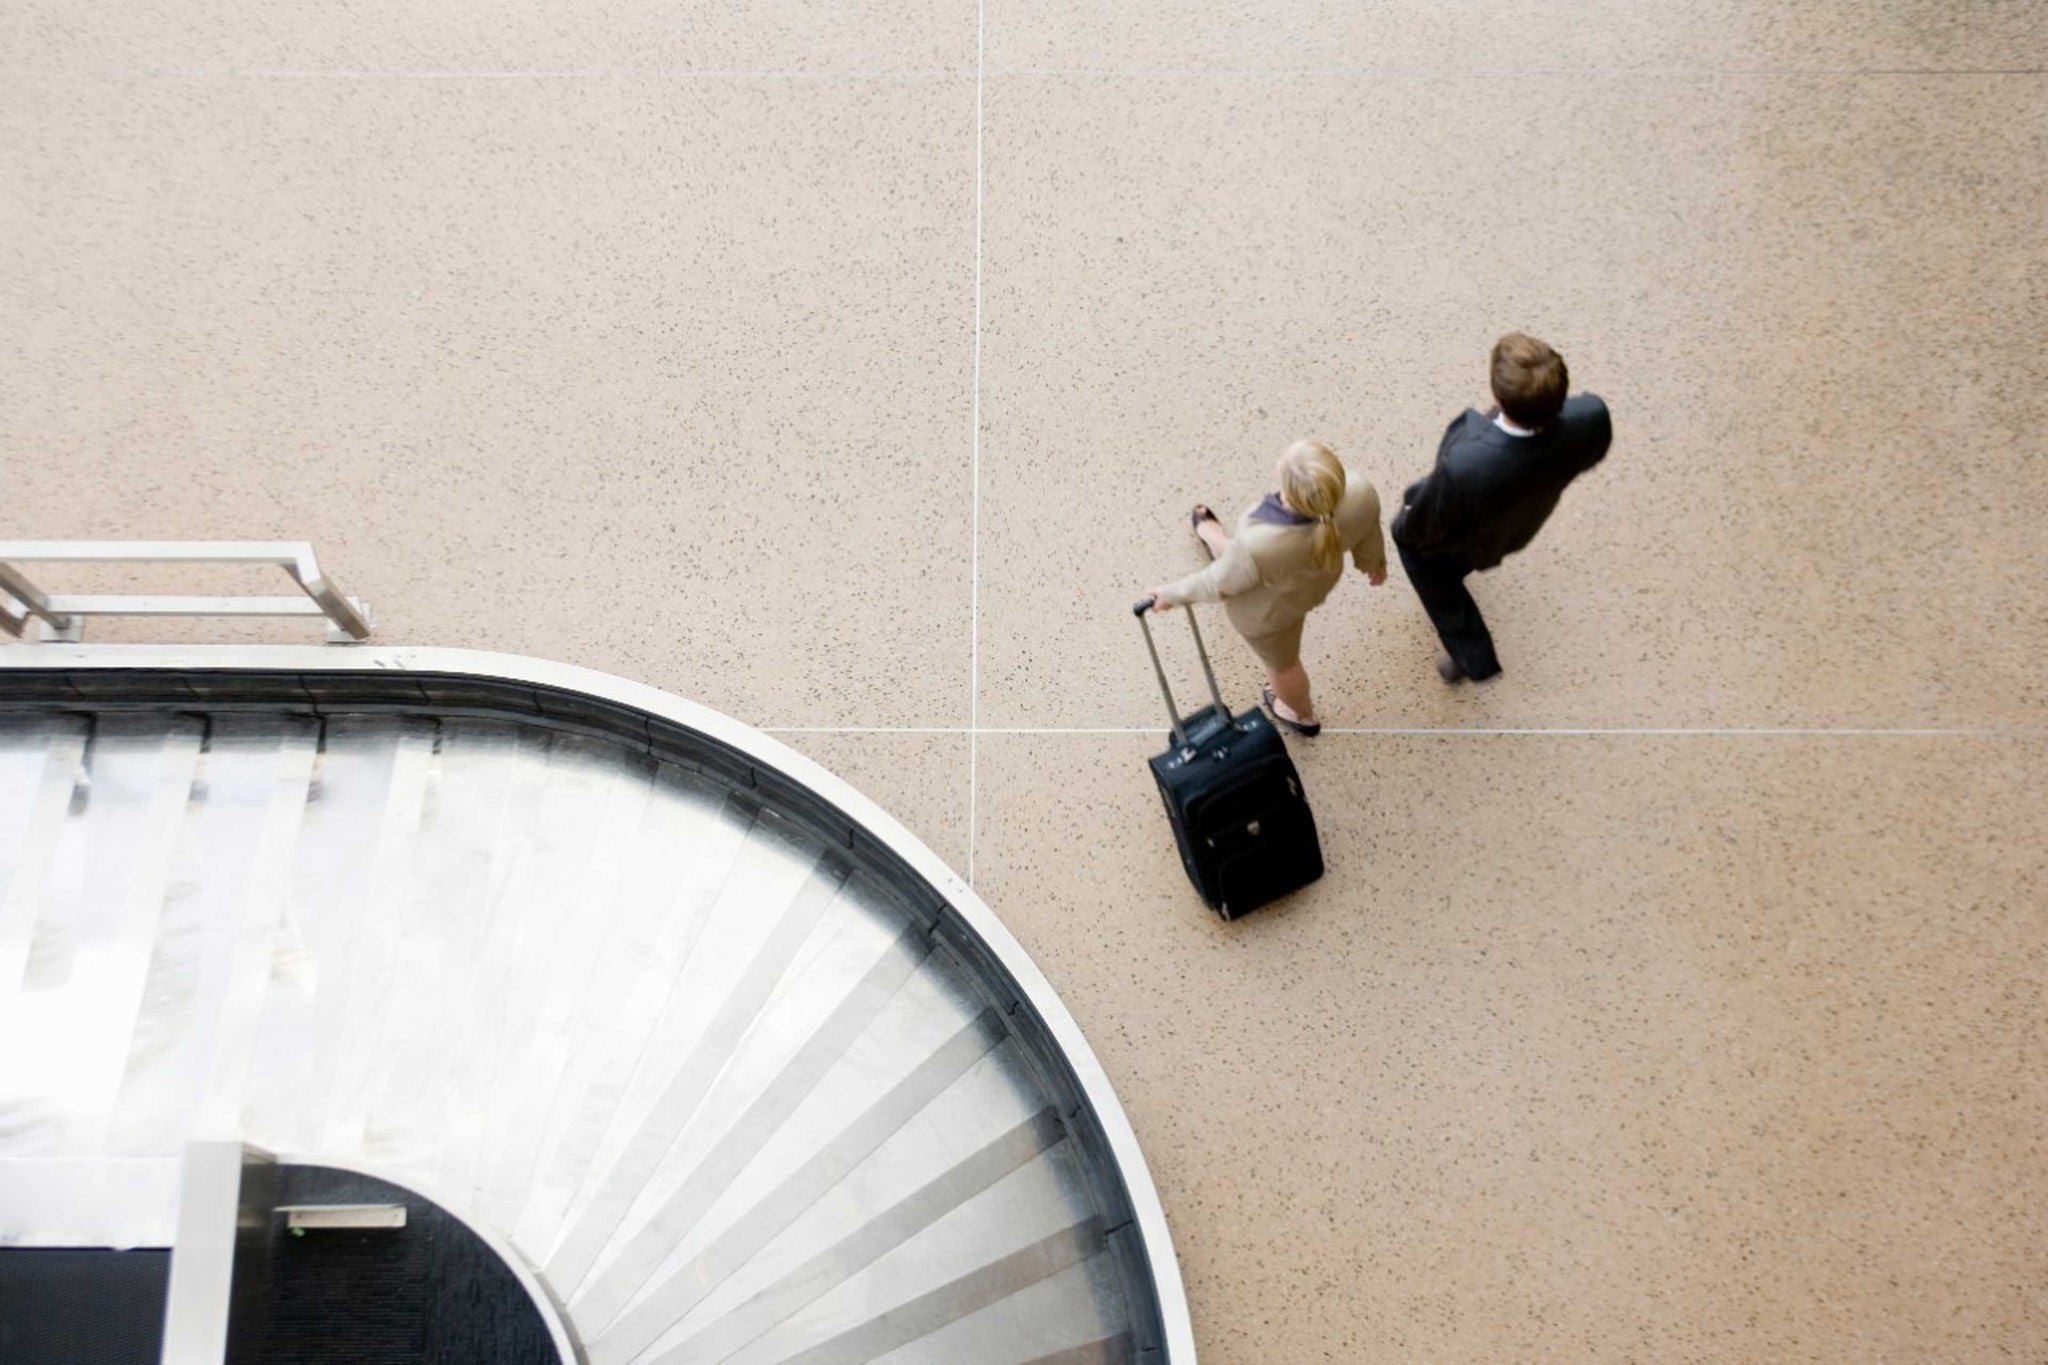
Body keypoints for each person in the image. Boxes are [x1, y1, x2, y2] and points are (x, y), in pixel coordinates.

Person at [1392, 332, 1612, 683]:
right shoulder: (1592, 416)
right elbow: (1592, 453)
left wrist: (1403, 525)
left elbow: (1423, 524)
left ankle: (1472, 653)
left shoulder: (1466, 462)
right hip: (1520, 525)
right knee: (1466, 557)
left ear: (1498, 397)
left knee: (1420, 556)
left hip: (1468, 527)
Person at [1145, 440, 1386, 737]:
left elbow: (1219, 582)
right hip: (1311, 584)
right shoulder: (1360, 491)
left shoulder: (1259, 543)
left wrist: (1171, 595)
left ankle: (1302, 714)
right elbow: (1368, 528)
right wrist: (1373, 563)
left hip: (1269, 614)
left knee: (1283, 666)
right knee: (1241, 562)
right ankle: (1213, 537)